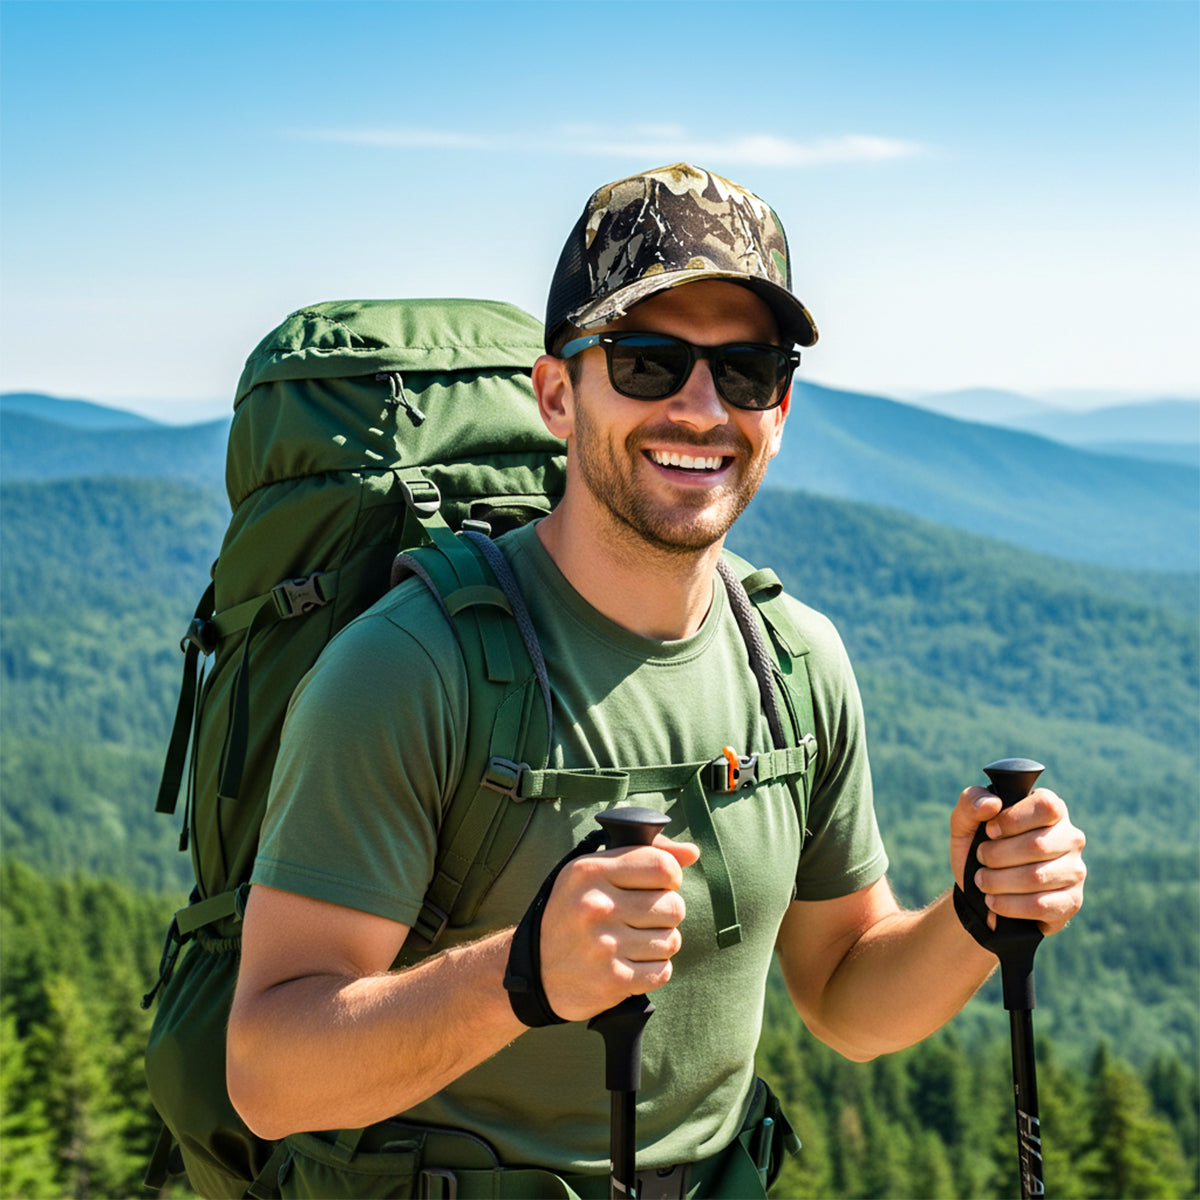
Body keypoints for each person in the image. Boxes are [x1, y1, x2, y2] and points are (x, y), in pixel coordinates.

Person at [226, 163, 1086, 1196]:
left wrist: (973, 918)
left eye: (747, 370)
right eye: (645, 361)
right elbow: (270, 1076)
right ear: (557, 393)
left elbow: (848, 997)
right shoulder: (412, 669)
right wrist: (523, 978)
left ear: (783, 406)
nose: (700, 407)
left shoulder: (796, 664)